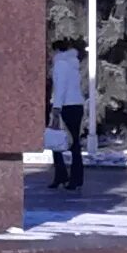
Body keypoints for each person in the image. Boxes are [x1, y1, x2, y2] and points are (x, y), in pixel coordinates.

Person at [47, 46, 88, 191]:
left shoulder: (60, 64)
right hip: (77, 105)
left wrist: (56, 107)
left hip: (65, 106)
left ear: (57, 51)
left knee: (56, 141)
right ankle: (76, 178)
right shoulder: (73, 64)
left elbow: (60, 88)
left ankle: (61, 175)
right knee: (74, 143)